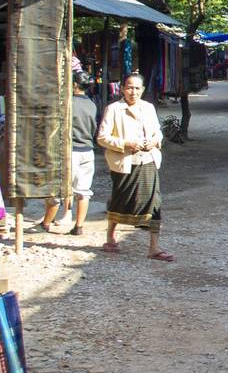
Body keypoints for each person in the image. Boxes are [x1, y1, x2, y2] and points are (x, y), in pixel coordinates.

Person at [97, 72, 173, 261]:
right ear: (123, 88)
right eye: (129, 87)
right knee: (119, 199)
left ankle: (154, 247)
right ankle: (110, 237)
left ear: (143, 90)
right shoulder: (113, 109)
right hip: (124, 163)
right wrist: (126, 143)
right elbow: (102, 137)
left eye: (137, 88)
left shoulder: (148, 108)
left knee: (154, 203)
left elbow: (158, 133)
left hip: (148, 161)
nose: (133, 92)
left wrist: (154, 141)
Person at [43, 72, 99, 235]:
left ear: (74, 85)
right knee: (83, 191)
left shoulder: (67, 103)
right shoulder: (92, 104)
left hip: (70, 150)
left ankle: (46, 223)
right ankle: (79, 226)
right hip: (88, 150)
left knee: (58, 190)